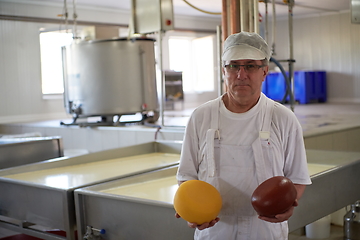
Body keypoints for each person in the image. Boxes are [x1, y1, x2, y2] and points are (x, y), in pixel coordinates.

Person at [175, 31, 312, 240]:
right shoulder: (201, 117)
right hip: (215, 230)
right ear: (223, 70)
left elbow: (297, 179)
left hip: (264, 230)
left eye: (250, 65)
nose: (241, 74)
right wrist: (191, 210)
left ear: (264, 71)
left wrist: (285, 206)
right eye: (233, 66)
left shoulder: (283, 118)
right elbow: (186, 177)